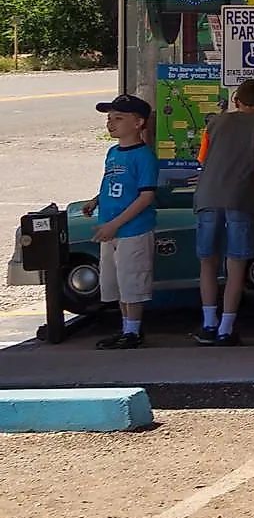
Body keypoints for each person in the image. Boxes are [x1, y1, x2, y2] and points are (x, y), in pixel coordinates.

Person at [80, 92, 159, 349]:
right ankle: (126, 327)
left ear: (138, 123)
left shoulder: (144, 156)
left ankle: (134, 330)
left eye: (119, 118)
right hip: (110, 227)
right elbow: (113, 183)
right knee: (116, 281)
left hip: (132, 229)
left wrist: (116, 224)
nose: (111, 123)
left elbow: (146, 195)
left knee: (132, 280)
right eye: (110, 118)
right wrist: (96, 200)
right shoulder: (113, 152)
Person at [192, 75, 254, 346]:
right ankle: (226, 327)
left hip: (208, 197)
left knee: (208, 261)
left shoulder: (215, 123)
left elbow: (203, 159)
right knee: (235, 264)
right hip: (242, 199)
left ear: (236, 100)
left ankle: (208, 323)